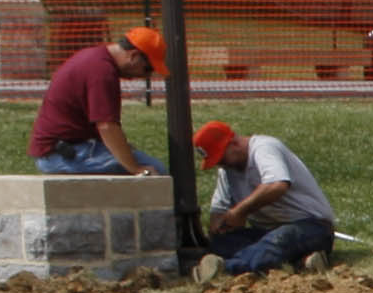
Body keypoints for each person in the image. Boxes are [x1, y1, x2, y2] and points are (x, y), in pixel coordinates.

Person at [193, 123, 337, 276]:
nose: (221, 164)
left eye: (221, 158)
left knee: (274, 243)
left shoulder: (264, 148)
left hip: (311, 226)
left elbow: (277, 186)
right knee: (222, 243)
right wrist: (220, 226)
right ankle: (300, 262)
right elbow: (219, 209)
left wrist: (239, 212)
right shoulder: (227, 170)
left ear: (233, 143)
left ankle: (225, 269)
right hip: (267, 232)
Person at [28, 26, 169, 175]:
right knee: (155, 170)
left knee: (133, 157)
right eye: (147, 69)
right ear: (133, 56)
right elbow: (107, 126)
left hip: (60, 150)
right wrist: (136, 169)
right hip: (64, 155)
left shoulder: (95, 58)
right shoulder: (102, 72)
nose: (146, 76)